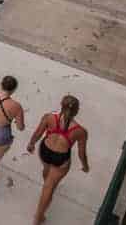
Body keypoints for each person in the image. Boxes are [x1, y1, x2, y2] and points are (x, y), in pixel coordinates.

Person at [27, 96, 89, 225]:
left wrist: (31, 144)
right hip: (61, 158)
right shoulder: (80, 131)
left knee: (47, 169)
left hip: (45, 151)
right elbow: (81, 153)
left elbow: (38, 133)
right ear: (77, 111)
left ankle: (48, 180)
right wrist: (85, 166)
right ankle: (38, 217)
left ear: (61, 105)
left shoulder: (49, 117)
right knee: (49, 188)